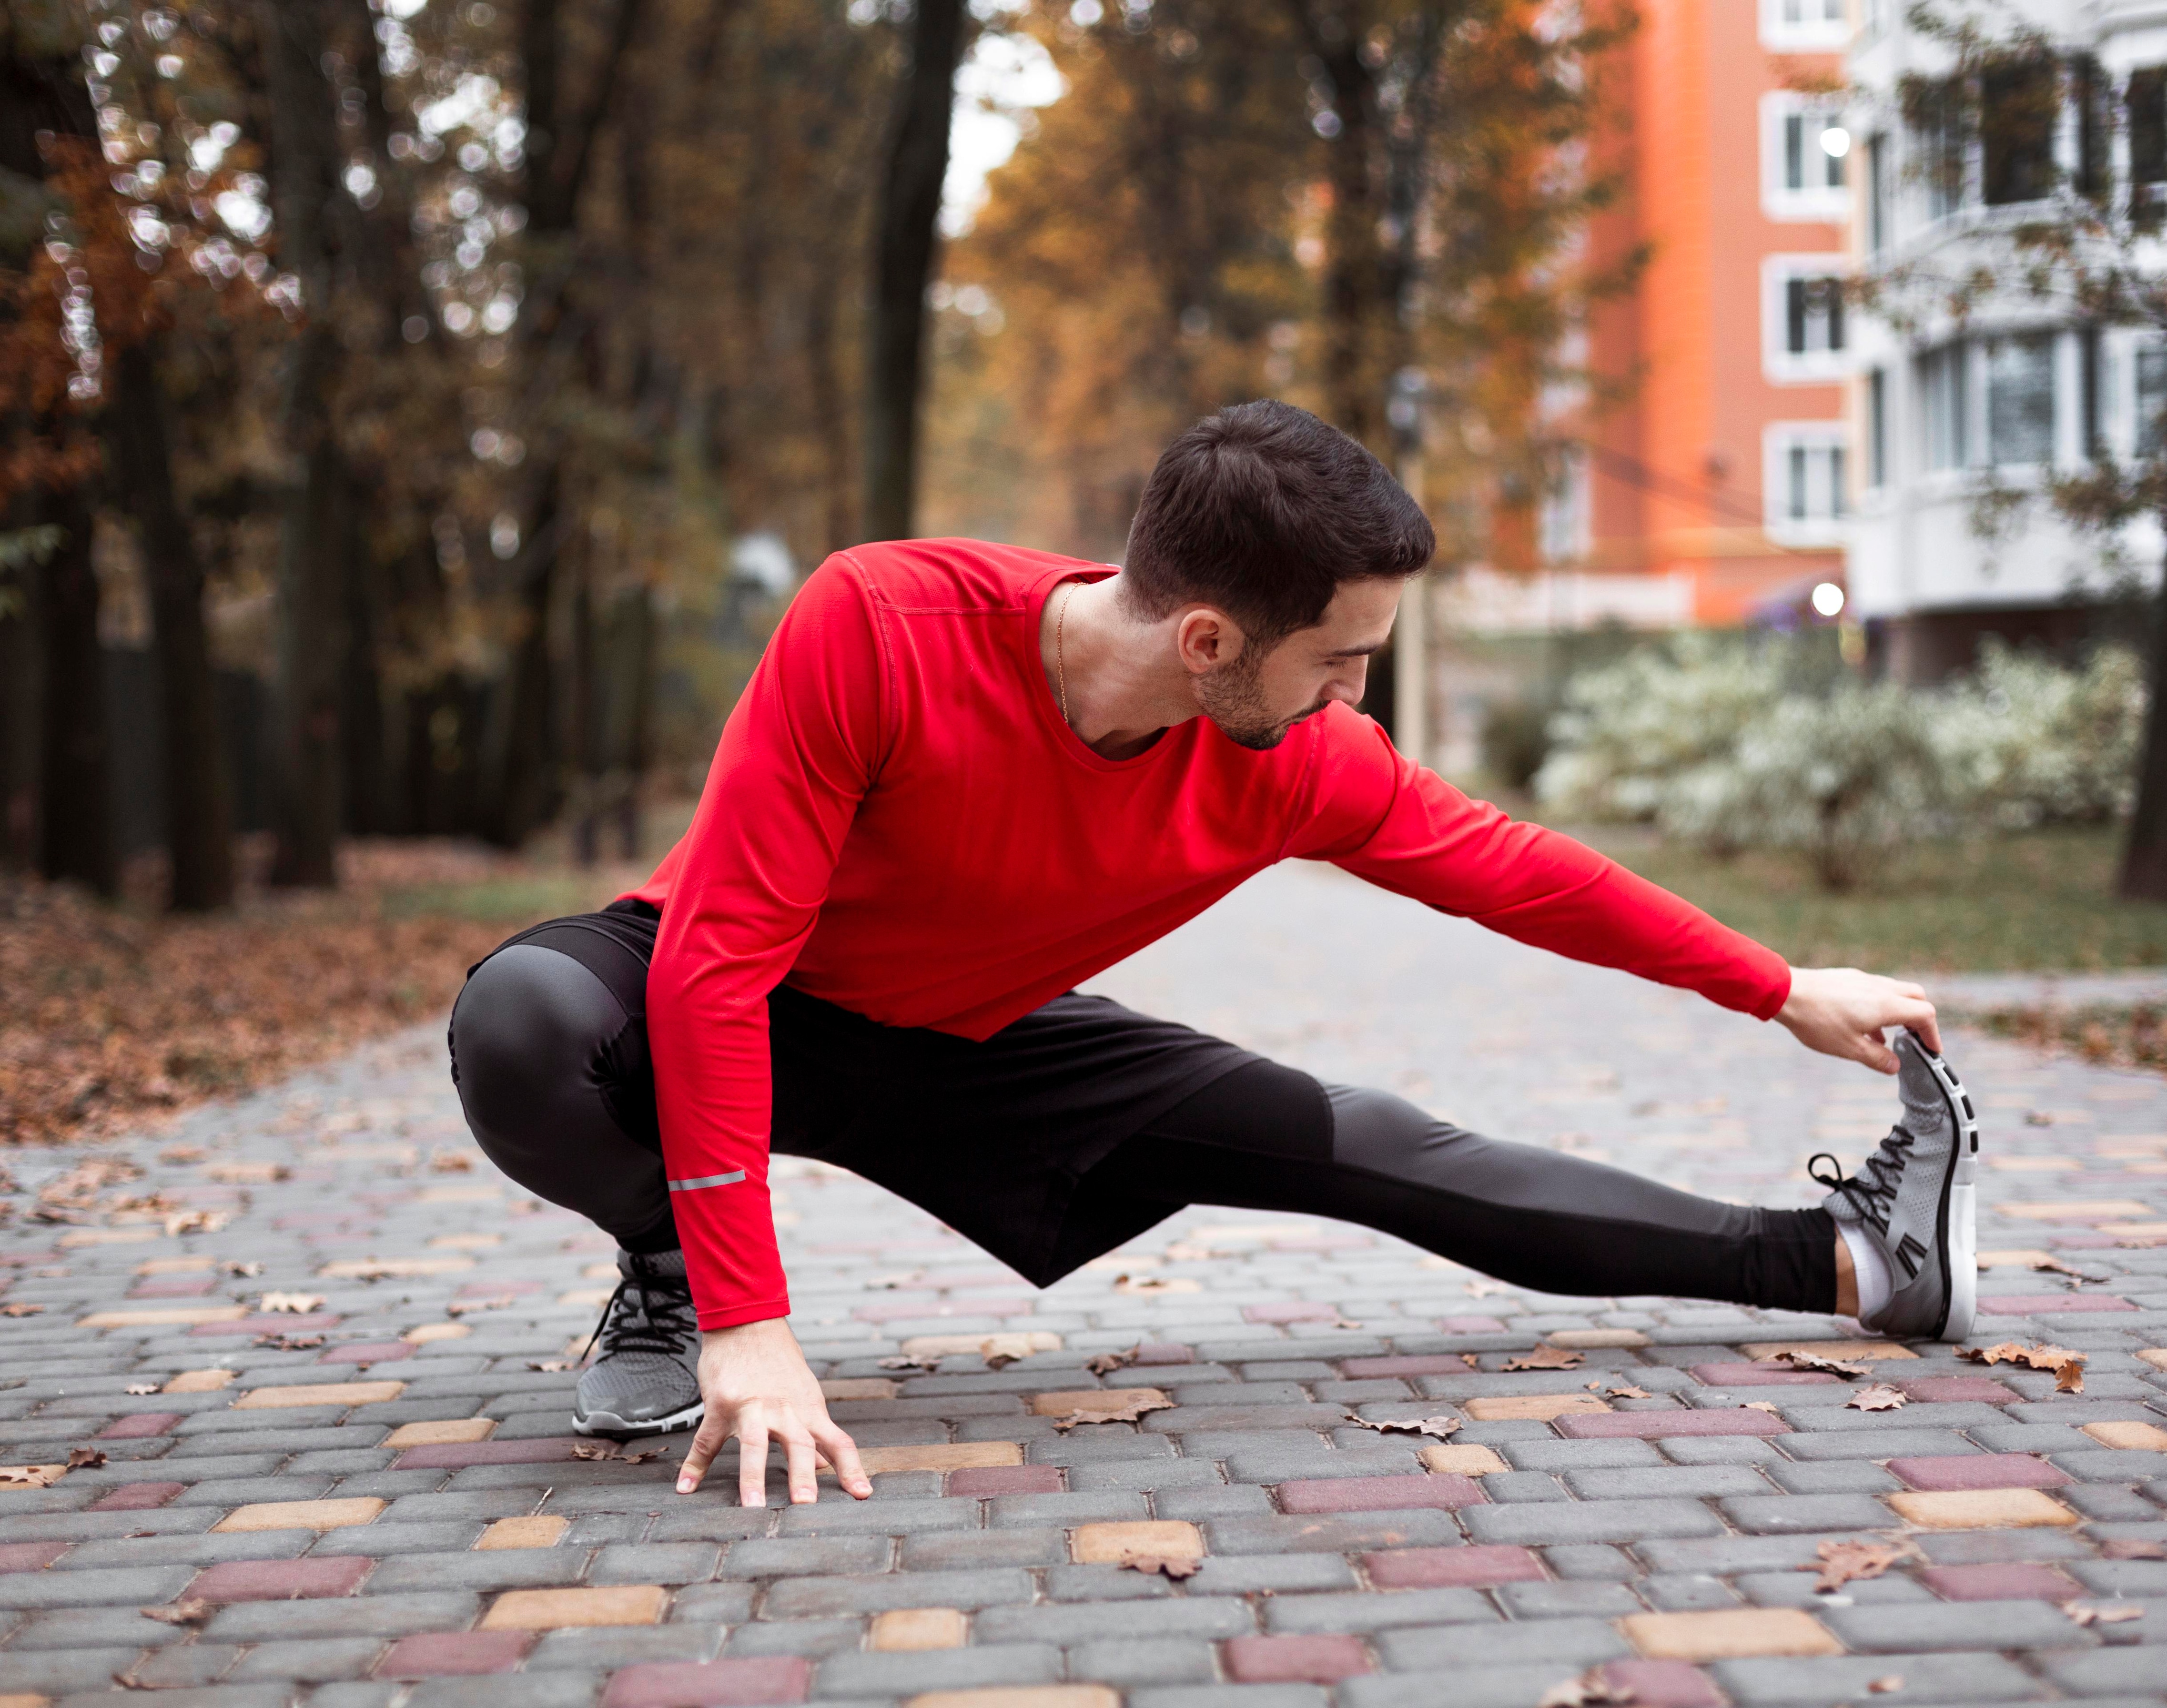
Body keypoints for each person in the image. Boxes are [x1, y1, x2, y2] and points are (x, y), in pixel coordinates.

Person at [447, 399, 1979, 1511]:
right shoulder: (882, 623)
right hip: (721, 983)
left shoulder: (1300, 757)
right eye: (1342, 658)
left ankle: (1851, 1262)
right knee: (521, 1019)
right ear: (1207, 642)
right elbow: (714, 973)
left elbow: (1520, 872)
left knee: (1371, 1142)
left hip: (975, 1040)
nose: (1355, 696)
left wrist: (1779, 986)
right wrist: (747, 1317)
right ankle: (657, 1259)